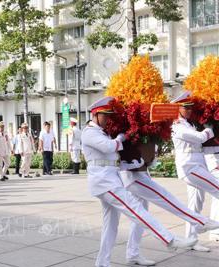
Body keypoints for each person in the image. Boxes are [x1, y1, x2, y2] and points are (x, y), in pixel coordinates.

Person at [82, 96, 197, 267]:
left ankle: (102, 263)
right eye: (105, 115)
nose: (108, 119)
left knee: (110, 226)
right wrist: (121, 137)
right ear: (95, 115)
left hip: (109, 180)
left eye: (109, 115)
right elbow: (109, 147)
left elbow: (114, 159)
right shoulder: (89, 133)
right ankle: (169, 239)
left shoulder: (101, 133)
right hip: (104, 182)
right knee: (135, 209)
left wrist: (136, 161)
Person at [119, 153, 219, 265]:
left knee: (139, 218)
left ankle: (132, 254)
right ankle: (200, 222)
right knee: (166, 198)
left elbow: (147, 158)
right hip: (131, 176)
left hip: (139, 174)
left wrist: (148, 156)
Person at [171, 91, 219, 252]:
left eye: (191, 107)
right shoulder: (176, 125)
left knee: (195, 204)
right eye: (186, 107)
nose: (190, 110)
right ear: (178, 108)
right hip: (190, 166)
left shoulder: (189, 124)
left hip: (197, 165)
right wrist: (211, 128)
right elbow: (199, 138)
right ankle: (205, 226)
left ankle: (192, 239)